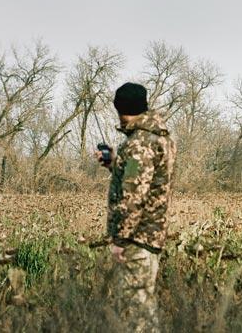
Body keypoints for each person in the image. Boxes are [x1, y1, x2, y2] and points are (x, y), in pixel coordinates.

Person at [97, 82, 176, 332]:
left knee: (136, 314)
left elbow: (133, 197)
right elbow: (143, 178)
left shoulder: (138, 144)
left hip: (137, 238)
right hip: (151, 236)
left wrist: (120, 241)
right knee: (144, 308)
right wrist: (114, 164)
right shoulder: (159, 138)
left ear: (121, 110)